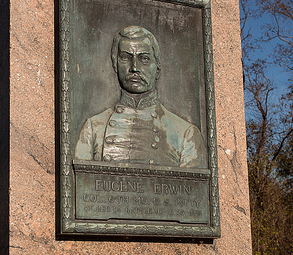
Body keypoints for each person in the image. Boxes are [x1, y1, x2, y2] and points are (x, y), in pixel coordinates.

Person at [74, 26, 207, 168]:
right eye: (125, 58)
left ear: (157, 68)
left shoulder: (186, 134)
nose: (135, 68)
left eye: (144, 58)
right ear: (115, 64)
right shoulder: (93, 128)